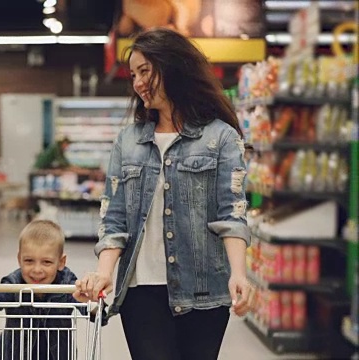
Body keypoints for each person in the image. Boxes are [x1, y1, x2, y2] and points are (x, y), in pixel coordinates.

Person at [75, 28, 251, 360]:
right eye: (133, 74)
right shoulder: (128, 141)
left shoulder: (220, 138)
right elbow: (113, 218)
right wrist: (104, 272)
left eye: (145, 71)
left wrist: (239, 274)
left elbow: (232, 214)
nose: (138, 82)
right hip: (142, 290)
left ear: (172, 66)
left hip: (205, 289)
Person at [0, 220, 99, 360]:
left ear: (61, 262)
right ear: (19, 259)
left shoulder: (67, 284)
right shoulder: (13, 283)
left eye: (46, 262)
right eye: (29, 261)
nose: (37, 270)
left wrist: (91, 299)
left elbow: (91, 310)